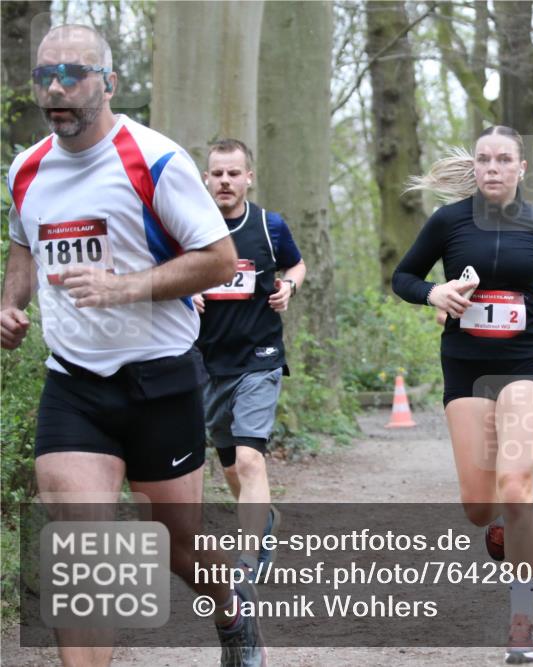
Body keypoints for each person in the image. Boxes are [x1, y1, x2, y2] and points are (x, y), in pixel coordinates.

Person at [1, 25, 265, 667]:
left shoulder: (156, 161)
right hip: (74, 386)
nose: (57, 88)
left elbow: (220, 260)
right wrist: (9, 304)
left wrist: (124, 287)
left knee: (178, 546)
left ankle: (231, 611)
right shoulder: (26, 169)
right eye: (45, 76)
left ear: (109, 82)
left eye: (73, 74)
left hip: (160, 383)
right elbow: (24, 247)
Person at [392, 126, 533, 663]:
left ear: (520, 168)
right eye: (484, 159)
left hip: (525, 361)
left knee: (515, 487)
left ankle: (522, 621)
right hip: (465, 366)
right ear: (476, 167)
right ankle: (501, 527)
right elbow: (404, 277)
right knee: (478, 506)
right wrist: (434, 293)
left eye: (504, 159)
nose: (492, 168)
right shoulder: (448, 222)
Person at [193, 138, 306, 575]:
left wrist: (289, 286)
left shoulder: (269, 225)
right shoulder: (189, 227)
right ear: (206, 178)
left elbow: (296, 264)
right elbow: (165, 274)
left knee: (248, 459)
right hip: (208, 362)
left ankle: (247, 558)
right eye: (218, 173)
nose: (225, 181)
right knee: (230, 467)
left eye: (233, 173)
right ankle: (266, 521)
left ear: (248, 178)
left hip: (260, 356)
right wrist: (184, 294)